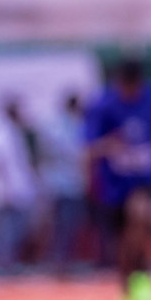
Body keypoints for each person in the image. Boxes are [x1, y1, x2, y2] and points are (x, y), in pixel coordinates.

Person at [84, 59, 151, 300]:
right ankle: (127, 294)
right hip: (114, 183)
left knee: (142, 218)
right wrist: (108, 147)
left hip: (143, 178)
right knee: (123, 244)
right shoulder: (102, 106)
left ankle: (145, 274)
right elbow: (88, 148)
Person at [0, 97, 38, 273]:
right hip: (3, 190)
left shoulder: (11, 130)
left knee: (14, 228)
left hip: (16, 189)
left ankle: (5, 261)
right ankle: (2, 263)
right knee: (5, 229)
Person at [38, 94, 88, 273]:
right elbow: (73, 153)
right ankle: (58, 262)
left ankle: (62, 261)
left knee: (68, 225)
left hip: (69, 184)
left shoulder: (72, 124)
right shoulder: (59, 126)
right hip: (62, 184)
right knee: (63, 226)